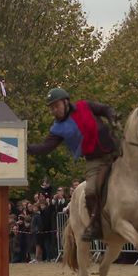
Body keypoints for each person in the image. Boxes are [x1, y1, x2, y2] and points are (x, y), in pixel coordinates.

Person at [27, 87, 119, 241]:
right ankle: (95, 225)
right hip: (94, 161)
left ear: (65, 102)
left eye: (56, 106)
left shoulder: (85, 106)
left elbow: (104, 109)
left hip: (115, 150)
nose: (54, 110)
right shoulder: (57, 129)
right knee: (90, 191)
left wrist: (112, 116)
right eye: (51, 108)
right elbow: (45, 147)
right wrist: (27, 148)